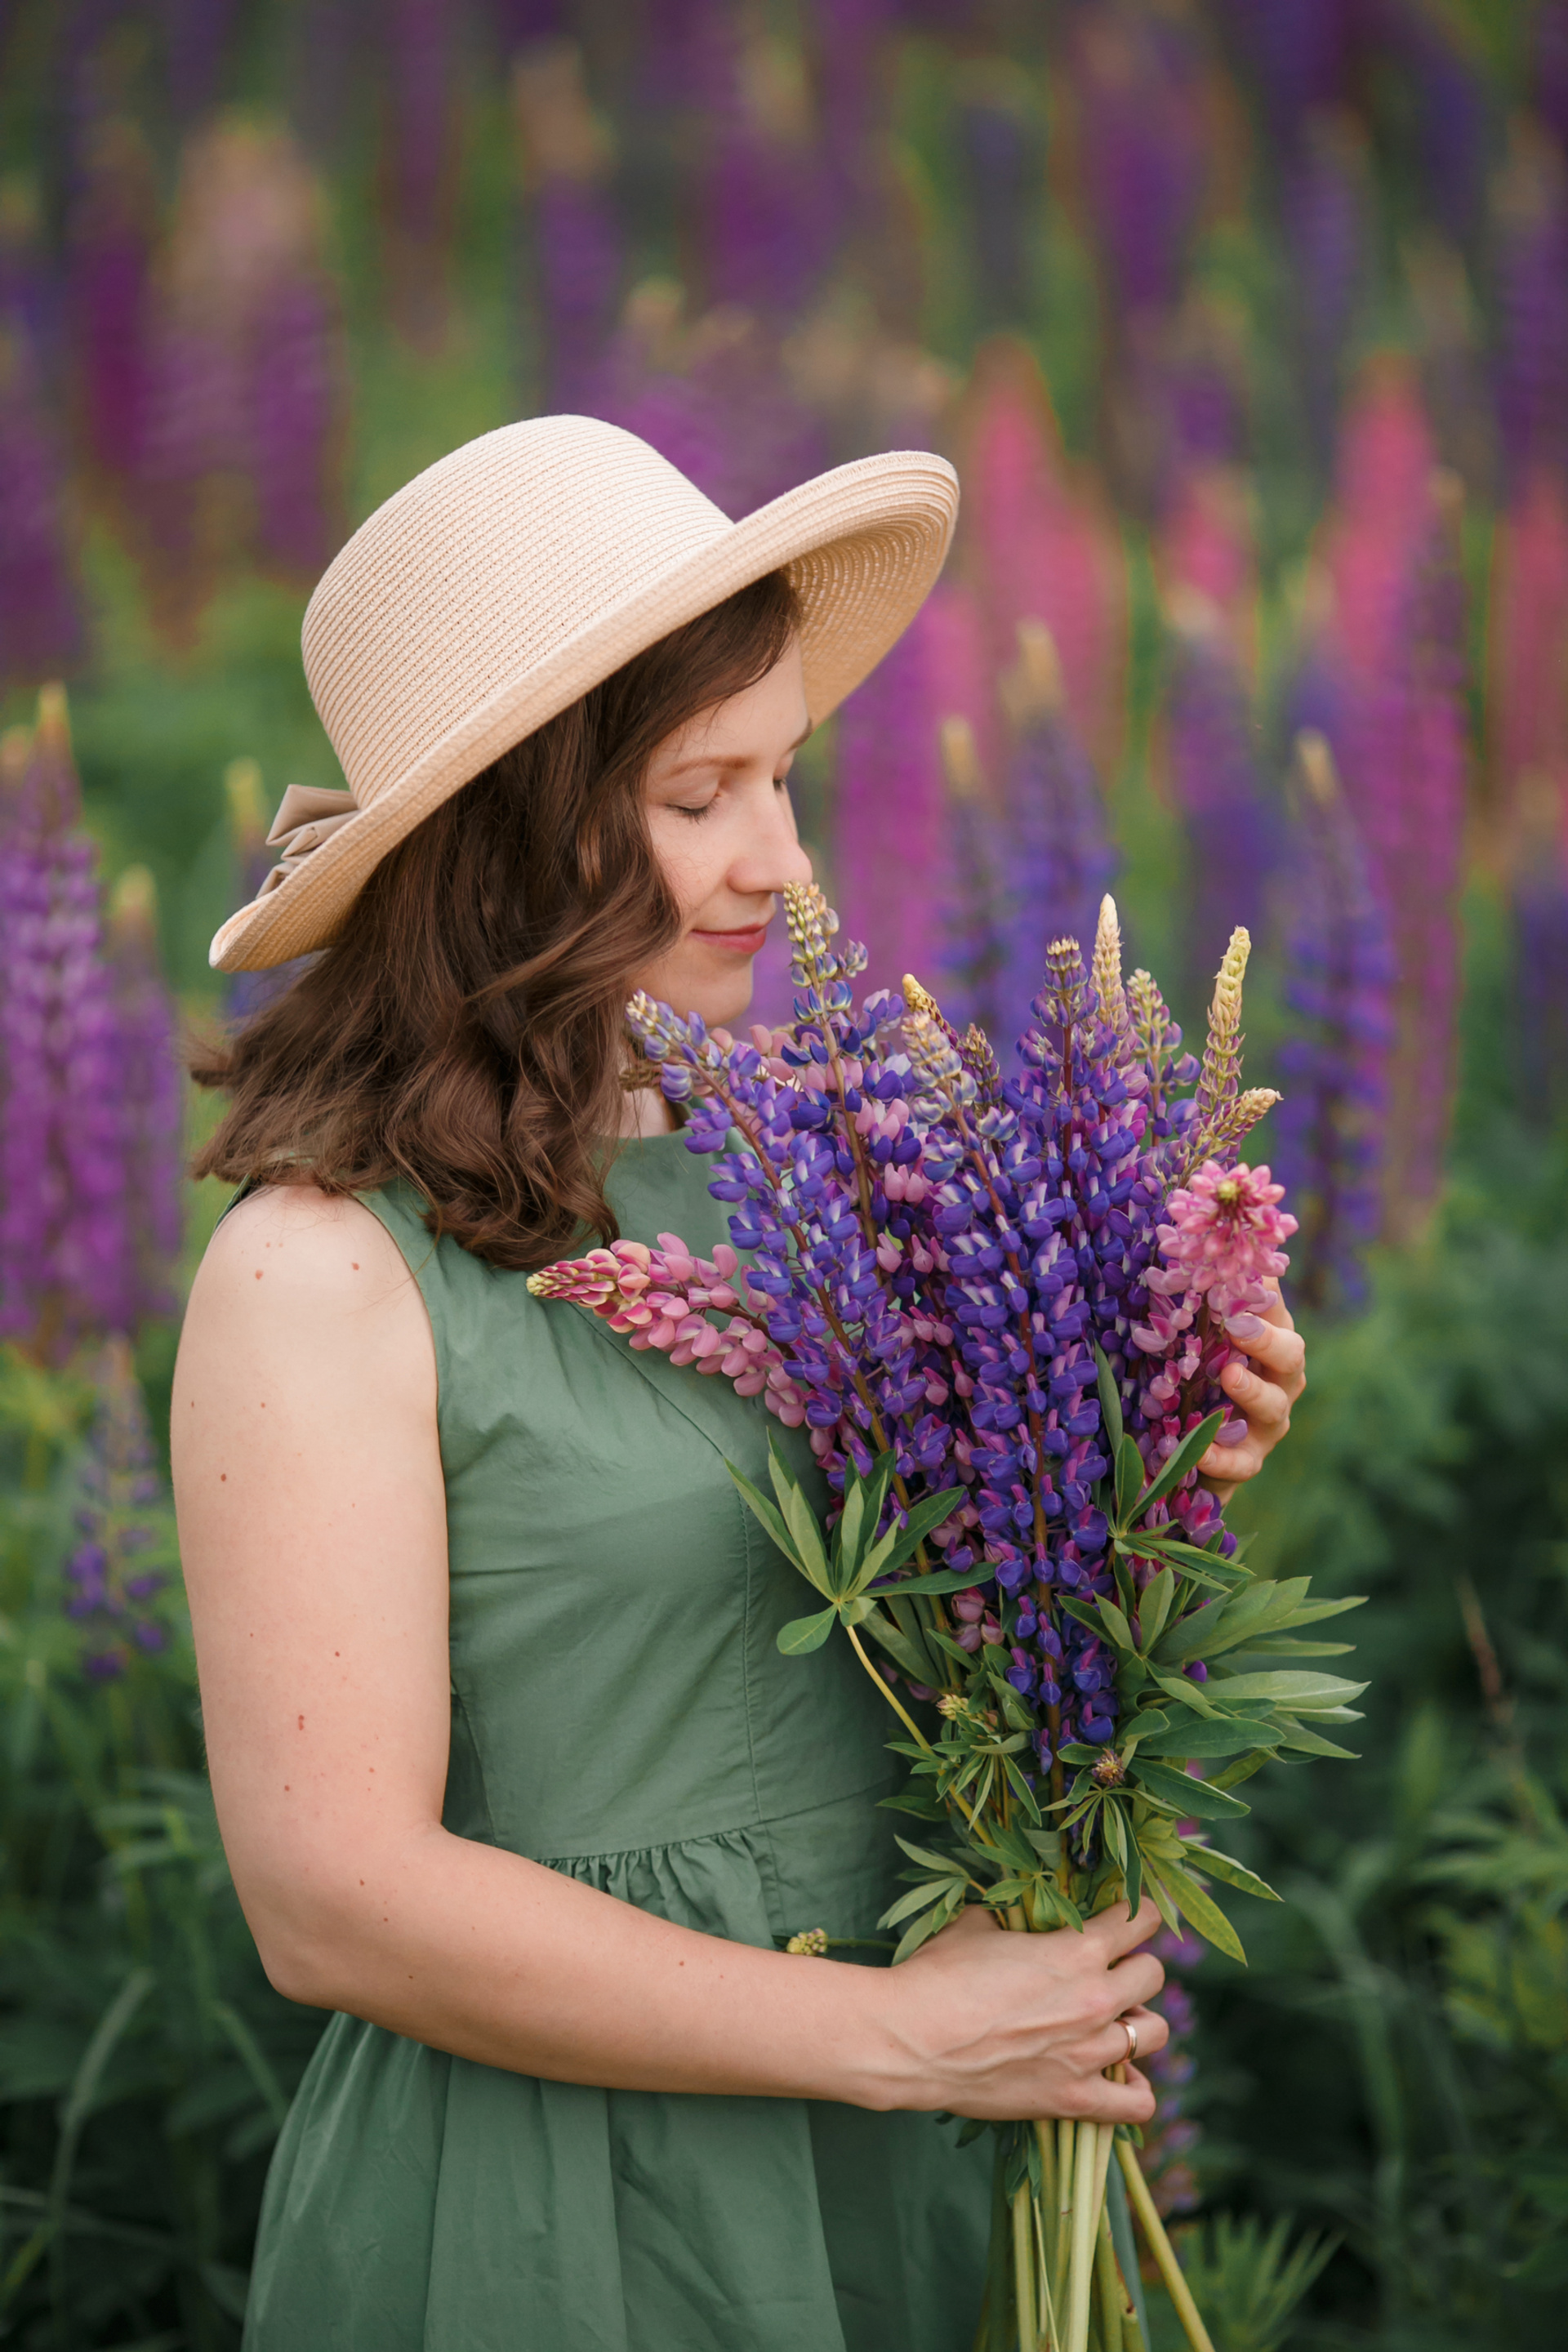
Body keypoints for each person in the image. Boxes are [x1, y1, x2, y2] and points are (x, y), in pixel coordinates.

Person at [172, 416, 1307, 2351]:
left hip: (924, 2159)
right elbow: (334, 1899)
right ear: (510, 830)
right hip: (562, 2203)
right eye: (702, 795)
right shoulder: (318, 1272)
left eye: (784, 778)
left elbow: (928, 1629)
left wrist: (1153, 1446)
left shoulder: (828, 1176)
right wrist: (890, 2038)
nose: (781, 864)